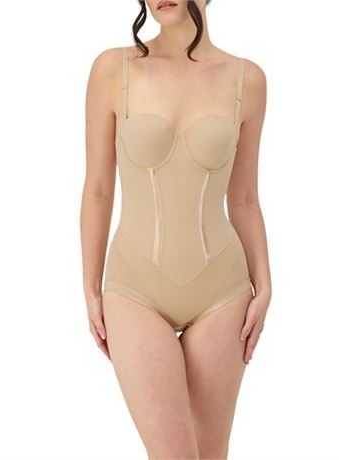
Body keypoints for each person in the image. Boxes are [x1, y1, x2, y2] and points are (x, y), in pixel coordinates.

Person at [80, 0, 272, 457]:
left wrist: (265, 286)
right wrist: (90, 288)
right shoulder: (113, 70)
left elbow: (244, 198)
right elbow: (98, 189)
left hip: (223, 290)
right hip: (134, 289)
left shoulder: (247, 80)